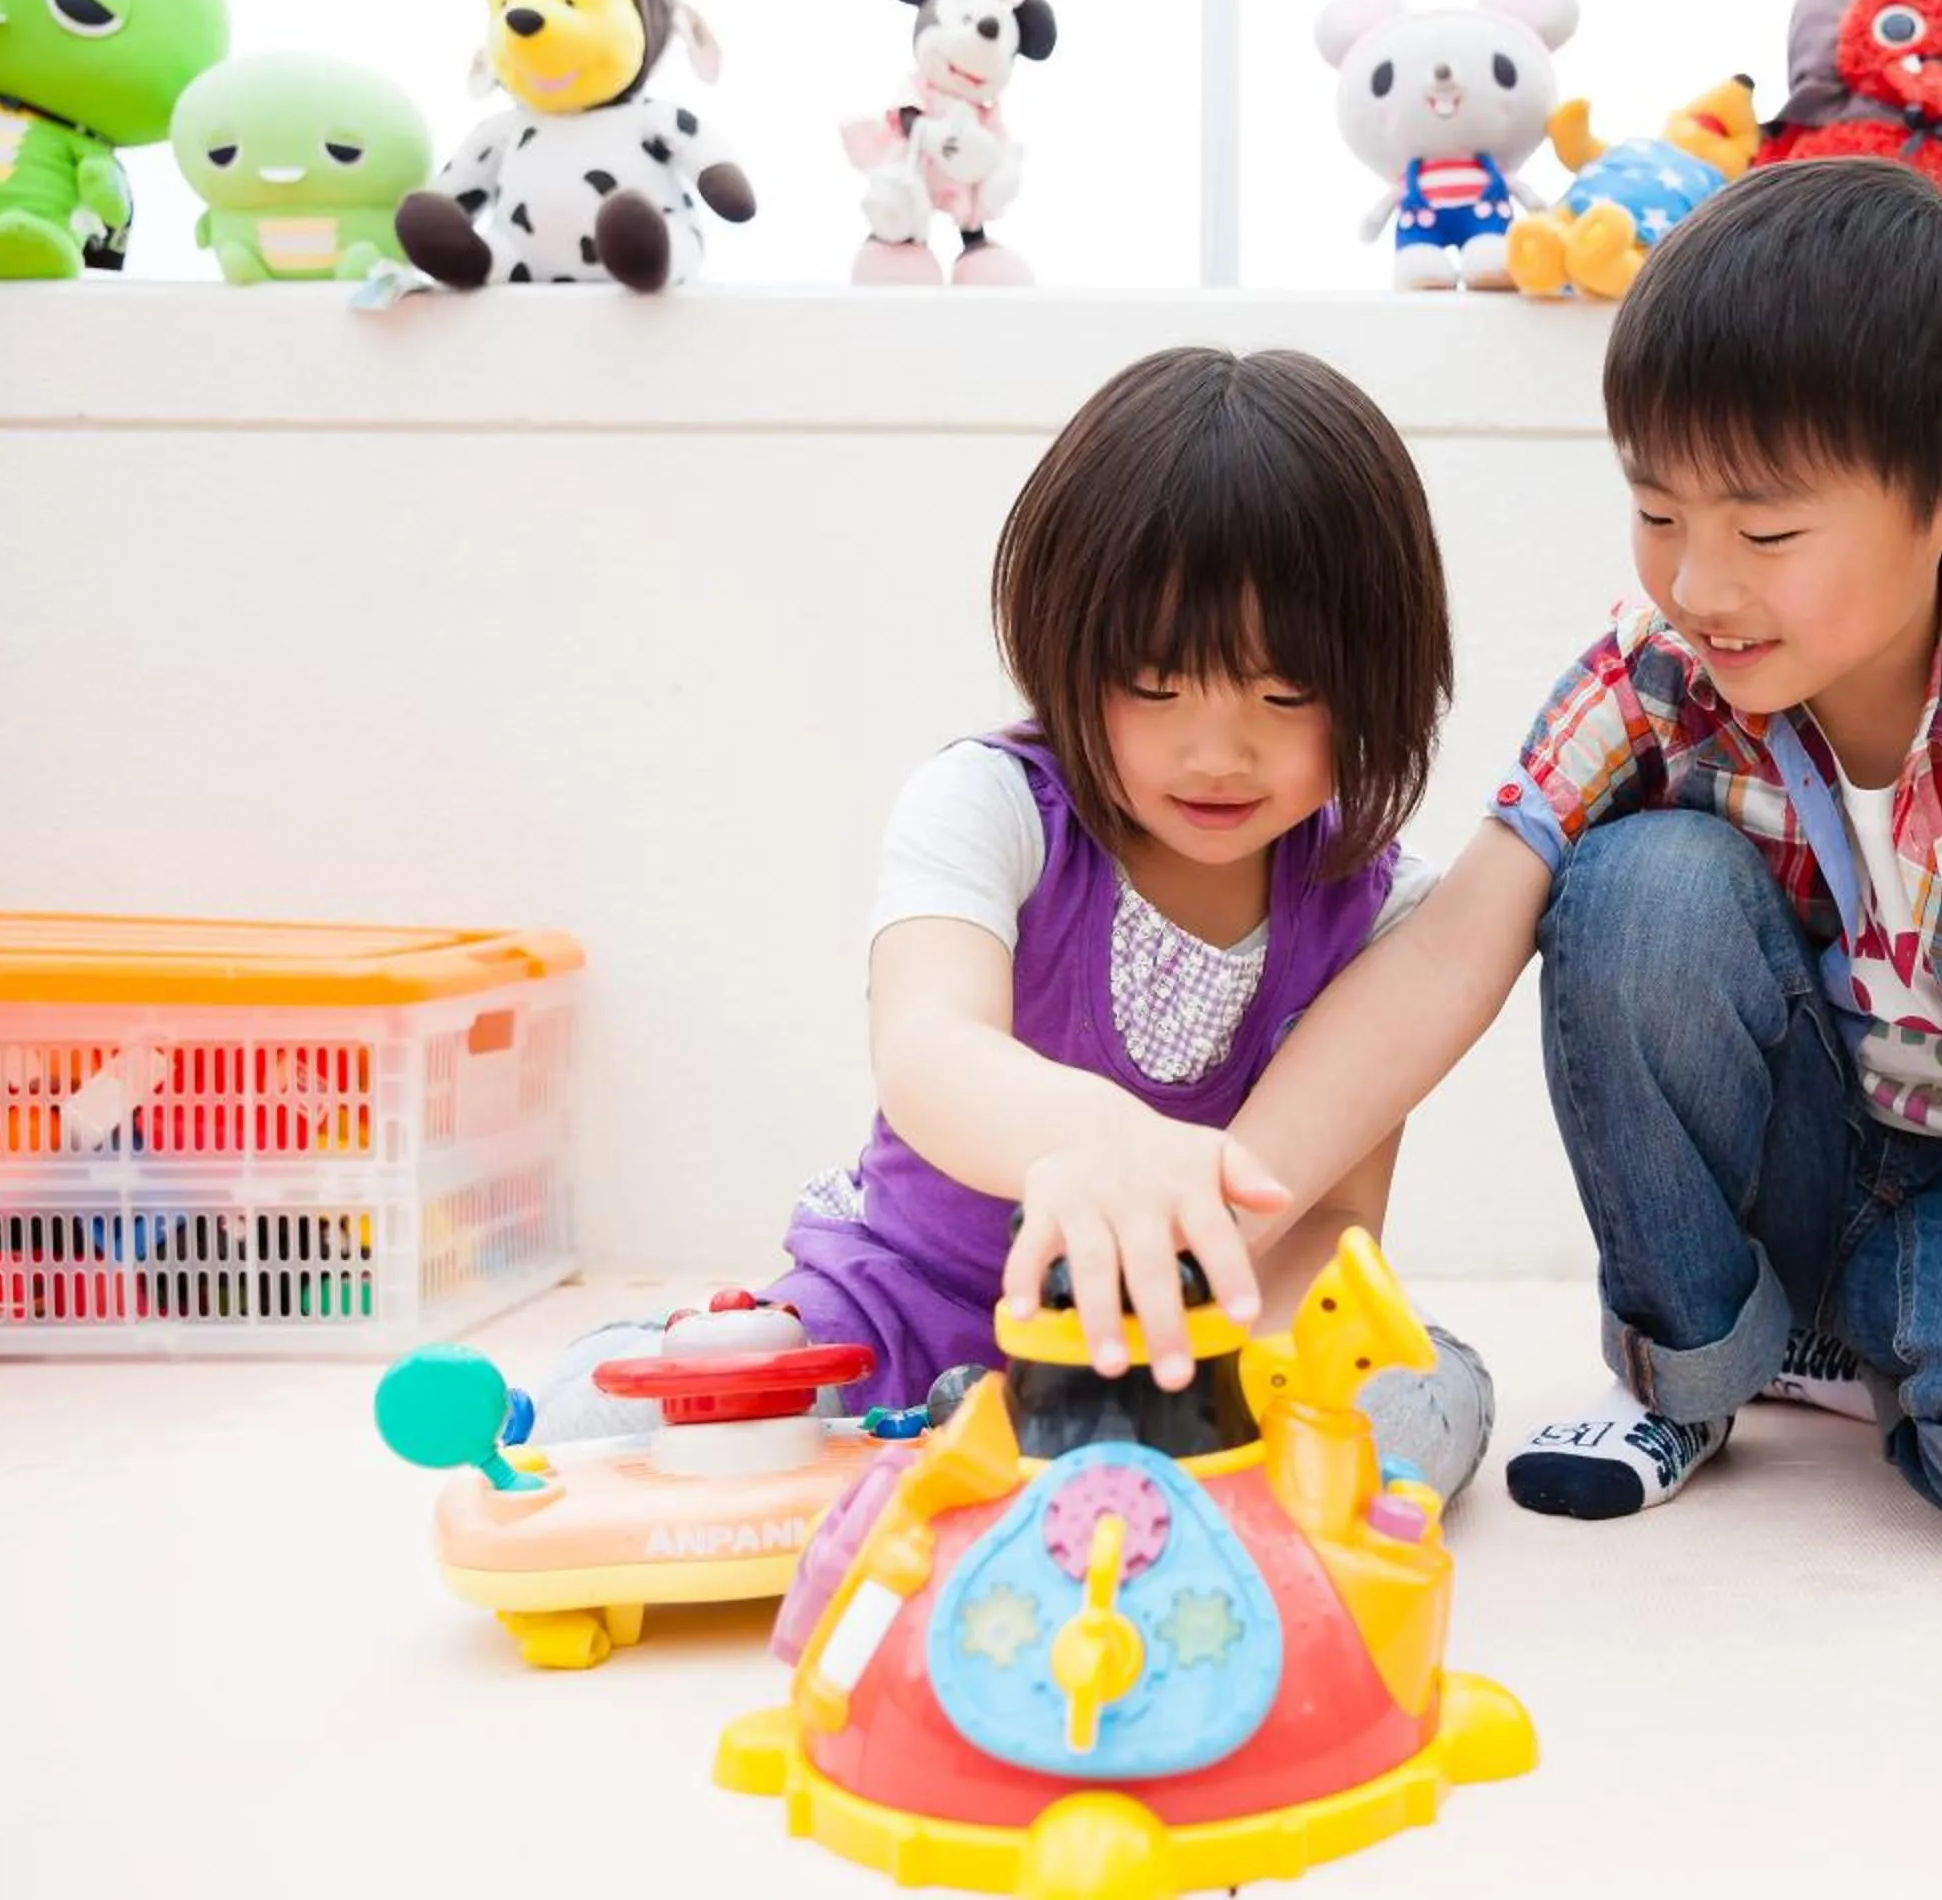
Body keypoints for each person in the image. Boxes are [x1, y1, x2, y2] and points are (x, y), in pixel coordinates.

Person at [1029, 160, 1942, 1579]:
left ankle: (1858, 1345)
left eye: (1767, 528)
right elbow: (1452, 946)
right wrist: (1217, 1218)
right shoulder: (1653, 672)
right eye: (1659, 513)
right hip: (1792, 1155)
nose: (1700, 582)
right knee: (1631, 887)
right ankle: (1700, 1367)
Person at [527, 346, 1495, 1499]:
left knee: (1419, 1410)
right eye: (1155, 684)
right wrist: (1094, 1143)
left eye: (1285, 697)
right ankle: (970, 1441)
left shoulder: (1380, 909)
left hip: (1174, 1361)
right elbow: (928, 1044)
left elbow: (1332, 1213)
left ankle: (1048, 1463)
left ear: (1377, 679)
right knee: (598, 1416)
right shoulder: (989, 805)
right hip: (909, 1303)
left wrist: (1266, 1377)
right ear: (1068, 646)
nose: (1217, 750)